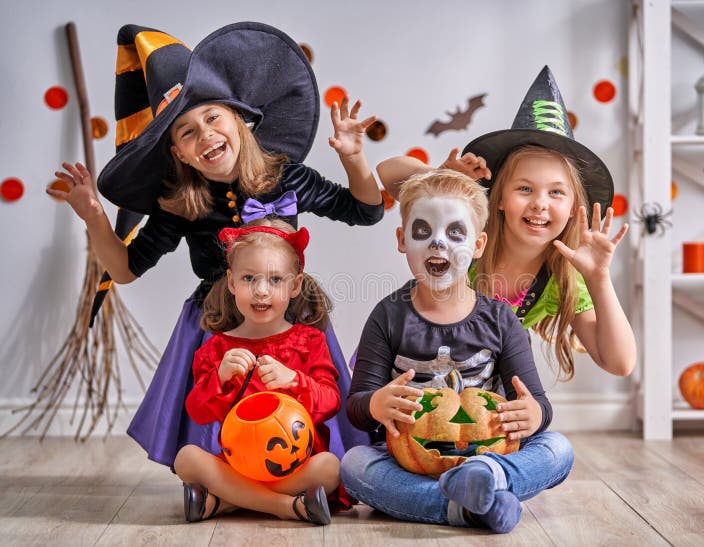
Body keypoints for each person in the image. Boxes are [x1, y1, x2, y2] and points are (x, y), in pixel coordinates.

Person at [46, 22, 379, 469]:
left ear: (239, 121)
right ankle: (223, 482)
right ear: (178, 153)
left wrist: (354, 158)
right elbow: (124, 269)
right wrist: (94, 217)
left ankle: (295, 481)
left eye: (212, 117)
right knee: (218, 430)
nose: (204, 135)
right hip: (218, 324)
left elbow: (365, 210)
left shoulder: (287, 176)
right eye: (185, 132)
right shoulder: (180, 204)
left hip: (289, 316)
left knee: (298, 420)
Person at [341, 170, 573, 534]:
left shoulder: (501, 320)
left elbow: (537, 404)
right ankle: (469, 506)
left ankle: (487, 478)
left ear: (478, 246)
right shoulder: (388, 316)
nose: (437, 244)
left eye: (454, 233)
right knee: (354, 464)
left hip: (488, 452)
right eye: (422, 232)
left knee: (558, 449)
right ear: (402, 240)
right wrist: (375, 404)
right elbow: (357, 409)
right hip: (406, 459)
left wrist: (533, 414)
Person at [376, 66, 636, 380]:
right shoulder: (470, 235)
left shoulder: (560, 278)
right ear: (498, 198)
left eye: (556, 192)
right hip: (416, 372)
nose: (540, 203)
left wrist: (598, 278)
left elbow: (620, 362)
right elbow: (387, 173)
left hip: (483, 389)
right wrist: (439, 178)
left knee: (552, 434)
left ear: (572, 209)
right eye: (525, 189)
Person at [176, 218, 338, 524]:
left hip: (294, 461)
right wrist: (220, 377)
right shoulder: (218, 349)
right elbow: (196, 412)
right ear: (232, 282)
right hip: (238, 462)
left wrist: (294, 380)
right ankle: (285, 506)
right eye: (249, 278)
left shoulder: (309, 341)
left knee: (329, 468)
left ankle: (225, 501)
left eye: (275, 280)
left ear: (295, 285)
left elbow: (331, 402)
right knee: (186, 458)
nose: (261, 291)